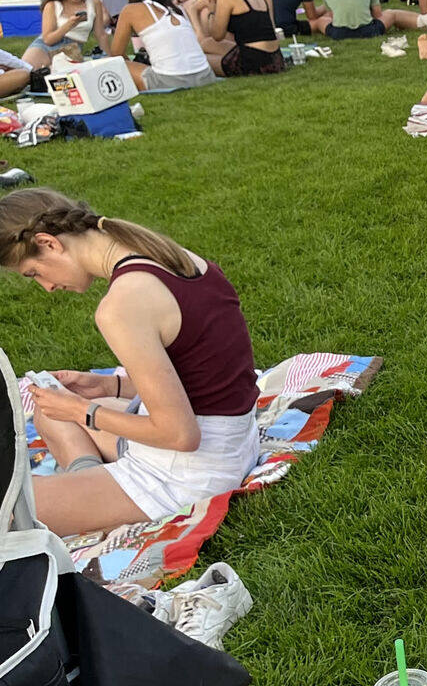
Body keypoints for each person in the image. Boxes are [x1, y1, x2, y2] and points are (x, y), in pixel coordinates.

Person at [0, 190, 261, 538]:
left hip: (191, 471)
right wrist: (112, 387)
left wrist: (83, 411)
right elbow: (204, 371)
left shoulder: (122, 305)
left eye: (33, 273)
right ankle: (88, 480)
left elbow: (181, 435)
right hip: (233, 442)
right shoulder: (173, 257)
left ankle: (89, 490)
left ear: (49, 243)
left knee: (9, 507)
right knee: (49, 413)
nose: (47, 287)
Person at [101, 0, 215, 92]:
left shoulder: (131, 10)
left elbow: (116, 54)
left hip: (169, 80)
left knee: (114, 65)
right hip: (205, 75)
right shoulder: (177, 10)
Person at [189, 0, 285, 77]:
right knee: (206, 44)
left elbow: (217, 35)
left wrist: (212, 11)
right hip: (275, 58)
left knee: (197, 62)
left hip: (253, 62)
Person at [23, 0, 102, 69]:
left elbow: (101, 34)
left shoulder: (94, 2)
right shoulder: (52, 5)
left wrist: (113, 55)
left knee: (64, 79)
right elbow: (48, 40)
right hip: (46, 45)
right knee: (26, 71)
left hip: (72, 47)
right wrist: (69, 24)